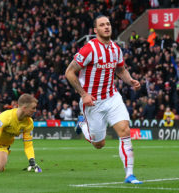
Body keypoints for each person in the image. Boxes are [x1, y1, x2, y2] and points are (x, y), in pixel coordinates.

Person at [65, 15, 142, 184]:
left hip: (112, 97)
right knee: (99, 144)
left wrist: (130, 81)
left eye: (108, 24)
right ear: (95, 30)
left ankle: (129, 174)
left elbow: (120, 70)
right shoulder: (89, 49)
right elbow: (69, 72)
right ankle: (82, 124)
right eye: (102, 25)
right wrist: (83, 95)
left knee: (124, 130)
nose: (106, 27)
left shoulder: (116, 49)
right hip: (92, 101)